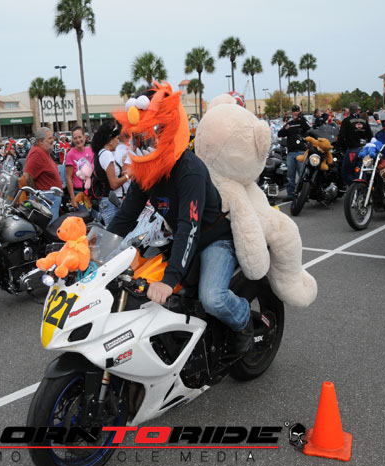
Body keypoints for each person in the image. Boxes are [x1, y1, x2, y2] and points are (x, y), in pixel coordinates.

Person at [108, 86, 258, 354]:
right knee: (135, 285)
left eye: (150, 134)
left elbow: (190, 228)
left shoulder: (190, 170)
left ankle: (244, 320)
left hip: (213, 240)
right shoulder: (146, 170)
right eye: (139, 136)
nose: (144, 142)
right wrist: (94, 255)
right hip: (179, 237)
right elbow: (125, 217)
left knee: (212, 298)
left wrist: (169, 280)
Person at [91, 121, 129, 225]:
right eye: (116, 138)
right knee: (113, 233)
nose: (118, 141)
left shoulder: (101, 154)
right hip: (111, 202)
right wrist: (128, 175)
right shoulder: (106, 154)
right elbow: (114, 184)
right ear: (110, 141)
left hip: (108, 201)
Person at [22, 127, 63, 223]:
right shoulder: (37, 153)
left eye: (52, 137)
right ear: (40, 141)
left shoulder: (44, 152)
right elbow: (27, 175)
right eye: (50, 138)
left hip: (49, 200)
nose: (53, 140)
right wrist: (35, 195)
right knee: (49, 229)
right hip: (46, 200)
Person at [278, 105, 310, 201]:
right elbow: (279, 134)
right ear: (292, 113)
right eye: (294, 111)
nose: (295, 112)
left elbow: (308, 129)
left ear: (299, 112)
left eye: (297, 111)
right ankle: (290, 195)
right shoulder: (289, 124)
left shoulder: (302, 122)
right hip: (291, 153)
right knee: (290, 176)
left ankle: (303, 195)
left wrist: (301, 118)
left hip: (301, 152)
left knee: (302, 175)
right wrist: (285, 129)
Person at [336, 102, 373, 186]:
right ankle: (362, 190)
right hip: (363, 151)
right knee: (360, 173)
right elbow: (370, 137)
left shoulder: (346, 121)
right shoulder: (364, 121)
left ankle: (353, 188)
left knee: (345, 173)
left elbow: (341, 137)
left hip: (352, 151)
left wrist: (339, 147)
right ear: (358, 110)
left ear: (350, 111)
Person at [65, 126, 94, 208]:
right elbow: (68, 178)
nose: (78, 140)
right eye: (75, 138)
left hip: (92, 192)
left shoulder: (91, 151)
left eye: (80, 137)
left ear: (84, 137)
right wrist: (73, 198)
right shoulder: (70, 154)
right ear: (72, 140)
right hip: (79, 193)